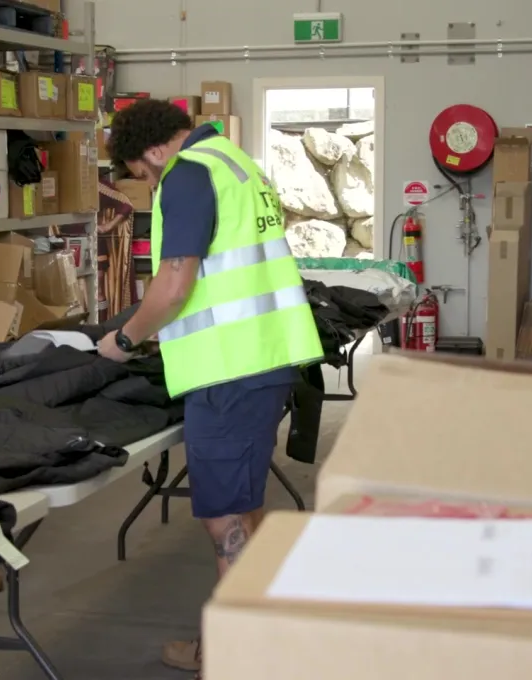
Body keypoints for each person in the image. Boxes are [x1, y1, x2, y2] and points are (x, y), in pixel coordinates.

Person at [99, 100, 323, 678]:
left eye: (143, 173)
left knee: (224, 518)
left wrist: (124, 339)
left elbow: (175, 282)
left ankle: (233, 655)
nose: (149, 182)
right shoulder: (236, 162)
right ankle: (253, 639)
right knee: (243, 507)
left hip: (230, 368)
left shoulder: (189, 173)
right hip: (263, 357)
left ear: (153, 151)